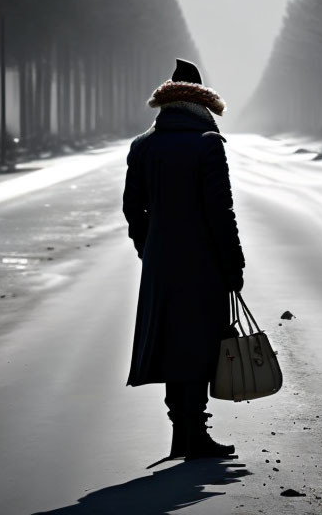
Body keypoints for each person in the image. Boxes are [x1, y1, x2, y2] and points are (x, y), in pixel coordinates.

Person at [123, 58, 245, 460]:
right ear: (201, 101)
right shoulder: (207, 143)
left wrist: (149, 247)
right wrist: (233, 265)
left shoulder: (143, 146)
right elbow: (220, 212)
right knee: (199, 342)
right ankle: (194, 434)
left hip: (161, 264)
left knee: (171, 343)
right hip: (203, 263)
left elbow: (132, 207)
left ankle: (182, 432)